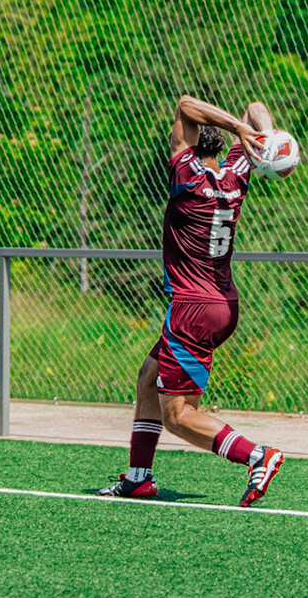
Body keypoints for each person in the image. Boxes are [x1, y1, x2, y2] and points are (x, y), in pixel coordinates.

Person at [99, 94, 287, 506]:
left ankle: (257, 456)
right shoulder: (237, 174)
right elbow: (254, 105)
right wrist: (266, 137)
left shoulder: (186, 176)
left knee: (178, 414)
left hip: (192, 309)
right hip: (223, 303)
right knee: (149, 375)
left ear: (188, 142)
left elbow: (186, 103)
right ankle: (138, 477)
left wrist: (241, 129)